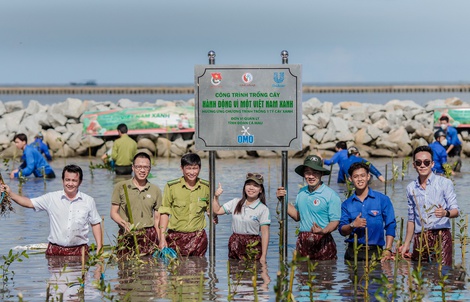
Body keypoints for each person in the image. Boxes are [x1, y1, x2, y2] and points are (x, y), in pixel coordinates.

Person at [1, 165, 103, 256]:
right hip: (55, 251)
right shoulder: (51, 198)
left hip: (80, 252)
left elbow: (95, 224)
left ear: (80, 182)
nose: (70, 184)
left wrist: (99, 247)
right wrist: (10, 193)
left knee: (82, 277)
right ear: (62, 180)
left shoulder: (88, 201)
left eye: (74, 180)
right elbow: (29, 203)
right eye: (67, 180)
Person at [400, 145, 459, 266]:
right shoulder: (411, 188)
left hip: (441, 235)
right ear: (414, 165)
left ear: (432, 164)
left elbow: (455, 211)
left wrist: (445, 213)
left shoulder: (444, 183)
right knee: (420, 275)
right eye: (419, 162)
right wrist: (406, 244)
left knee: (442, 274)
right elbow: (411, 219)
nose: (422, 165)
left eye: (426, 162)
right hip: (420, 237)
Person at [276, 155, 341, 260]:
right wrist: (282, 200)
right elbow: (297, 216)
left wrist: (323, 231)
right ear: (304, 175)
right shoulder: (302, 192)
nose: (311, 176)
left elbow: (335, 222)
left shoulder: (331, 195)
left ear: (322, 174)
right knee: (302, 274)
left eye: (315, 172)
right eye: (307, 172)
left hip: (323, 240)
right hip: (303, 240)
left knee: (325, 273)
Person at [338, 162, 396, 262]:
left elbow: (390, 225)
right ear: (350, 179)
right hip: (353, 254)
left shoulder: (383, 199)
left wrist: (388, 249)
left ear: (368, 176)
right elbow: (342, 230)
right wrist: (352, 225)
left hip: (375, 252)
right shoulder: (346, 204)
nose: (360, 179)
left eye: (362, 176)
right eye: (356, 176)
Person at [111, 152, 162, 257]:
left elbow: (157, 219)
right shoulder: (121, 187)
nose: (142, 170)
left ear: (150, 169)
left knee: (149, 268)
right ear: (133, 168)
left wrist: (161, 240)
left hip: (148, 235)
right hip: (127, 234)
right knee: (125, 269)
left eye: (146, 167)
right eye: (139, 167)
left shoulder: (155, 190)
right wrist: (124, 224)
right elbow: (113, 213)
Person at [158, 153, 210, 257]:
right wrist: (162, 238)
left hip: (198, 238)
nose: (192, 172)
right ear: (182, 168)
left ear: (200, 168)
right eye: (188, 168)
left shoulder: (207, 186)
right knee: (176, 271)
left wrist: (216, 200)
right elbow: (164, 213)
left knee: (199, 268)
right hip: (176, 237)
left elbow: (211, 210)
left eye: (195, 168)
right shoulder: (171, 186)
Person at [212, 173, 271, 263]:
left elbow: (265, 233)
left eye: (255, 186)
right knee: (234, 271)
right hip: (235, 242)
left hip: (252, 245)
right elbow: (217, 211)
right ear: (244, 187)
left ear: (261, 190)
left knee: (252, 272)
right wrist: (216, 197)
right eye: (248, 185)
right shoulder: (235, 202)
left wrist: (263, 256)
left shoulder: (263, 209)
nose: (251, 188)